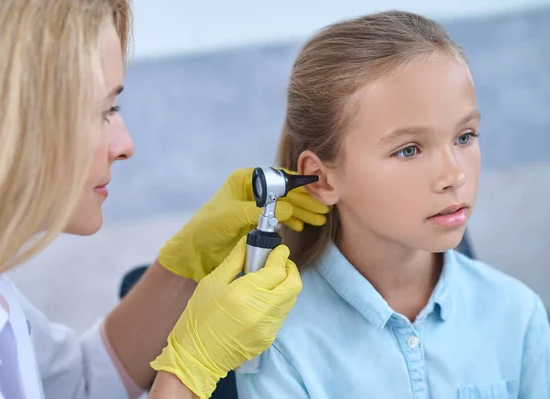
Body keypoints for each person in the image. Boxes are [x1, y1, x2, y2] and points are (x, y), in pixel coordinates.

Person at [0, 1, 330, 399]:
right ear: (4, 121)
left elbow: (77, 385)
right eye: (104, 111)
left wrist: (186, 265)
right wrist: (190, 369)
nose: (125, 146)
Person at [236, 11, 550, 398]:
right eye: (409, 150)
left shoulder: (517, 315)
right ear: (321, 178)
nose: (454, 175)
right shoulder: (277, 342)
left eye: (465, 137)